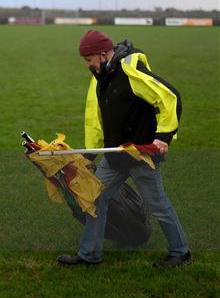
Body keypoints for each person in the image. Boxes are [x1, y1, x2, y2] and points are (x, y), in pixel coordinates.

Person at [57, 29, 190, 268]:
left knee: (158, 204)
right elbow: (96, 118)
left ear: (102, 54)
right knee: (94, 200)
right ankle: (90, 255)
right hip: (113, 156)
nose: (88, 65)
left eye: (89, 60)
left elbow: (170, 97)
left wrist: (163, 137)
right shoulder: (99, 78)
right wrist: (91, 151)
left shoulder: (130, 72)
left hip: (140, 156)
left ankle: (180, 252)